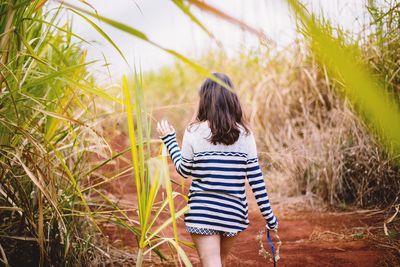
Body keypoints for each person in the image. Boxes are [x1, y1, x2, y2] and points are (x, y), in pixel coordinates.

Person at [156, 72, 278, 267]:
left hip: (203, 212)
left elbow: (184, 170)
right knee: (218, 261)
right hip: (233, 213)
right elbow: (256, 181)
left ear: (204, 100)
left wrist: (170, 140)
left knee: (212, 262)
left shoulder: (193, 132)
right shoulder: (246, 135)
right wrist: (270, 217)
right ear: (232, 100)